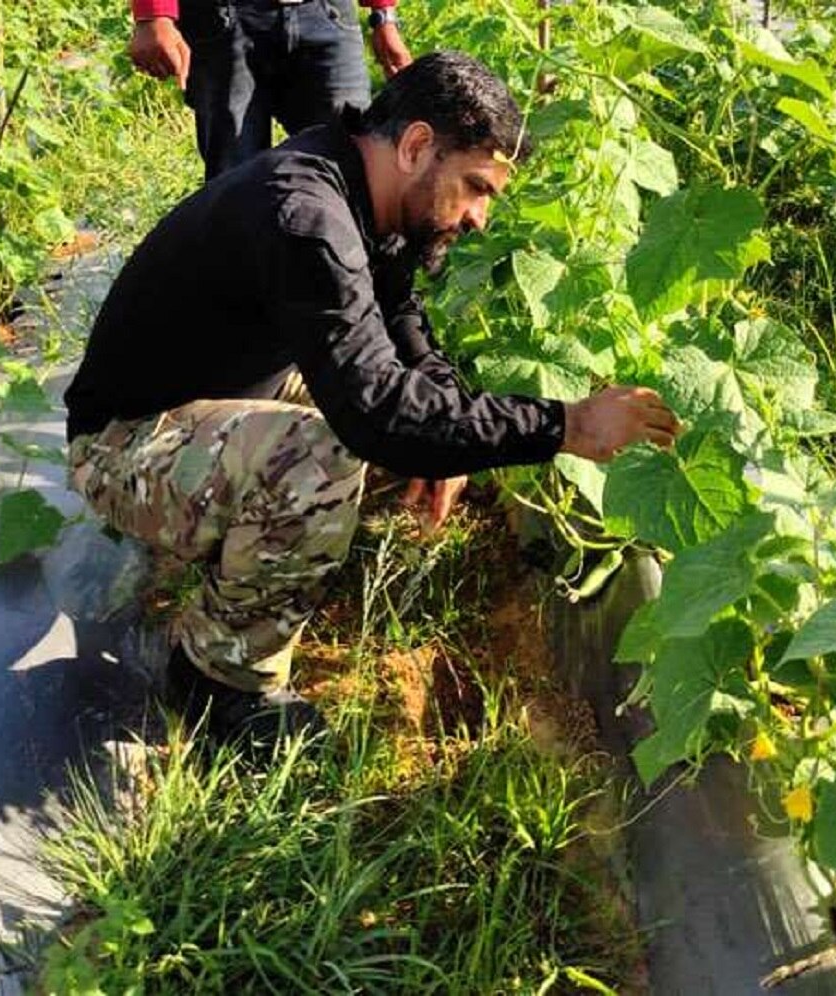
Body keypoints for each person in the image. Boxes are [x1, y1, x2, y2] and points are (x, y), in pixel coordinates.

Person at [64, 52, 680, 746]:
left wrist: (444, 422)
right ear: (417, 146)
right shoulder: (306, 216)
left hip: (227, 394)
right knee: (318, 458)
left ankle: (262, 557)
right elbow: (379, 414)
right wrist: (567, 426)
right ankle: (218, 678)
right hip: (123, 443)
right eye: (475, 187)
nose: (478, 217)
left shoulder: (360, 178)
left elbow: (399, 313)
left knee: (430, 427)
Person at [128, 0, 412, 180]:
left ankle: (344, 273)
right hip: (221, 17)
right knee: (236, 180)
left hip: (326, 14)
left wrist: (383, 14)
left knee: (355, 166)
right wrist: (153, 14)